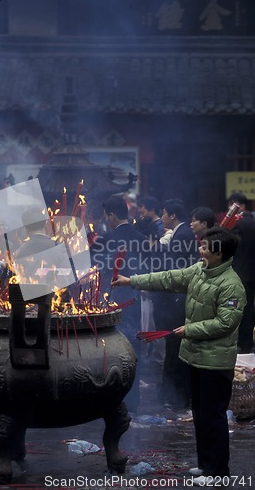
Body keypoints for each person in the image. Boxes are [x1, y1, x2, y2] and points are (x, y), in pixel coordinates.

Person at [112, 226, 246, 485]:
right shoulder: (199, 271)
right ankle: (205, 465)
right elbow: (169, 278)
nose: (200, 249)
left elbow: (225, 323)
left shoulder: (232, 285)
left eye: (205, 247)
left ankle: (218, 473)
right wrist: (132, 281)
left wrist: (190, 330)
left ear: (218, 253)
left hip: (215, 362)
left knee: (213, 417)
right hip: (196, 356)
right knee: (200, 413)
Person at [90, 196, 148, 414]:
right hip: (133, 298)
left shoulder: (106, 239)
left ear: (111, 215)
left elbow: (99, 269)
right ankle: (133, 400)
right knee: (133, 347)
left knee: (110, 347)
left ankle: (112, 399)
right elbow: (147, 268)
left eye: (106, 215)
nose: (107, 219)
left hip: (111, 297)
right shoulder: (141, 238)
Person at [157, 198, 199, 408]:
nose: (162, 217)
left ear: (172, 216)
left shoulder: (182, 235)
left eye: (164, 213)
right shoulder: (181, 233)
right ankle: (175, 393)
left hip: (177, 297)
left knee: (175, 345)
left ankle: (177, 395)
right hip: (178, 296)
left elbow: (176, 269)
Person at [227, 193, 255, 353]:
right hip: (252, 273)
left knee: (239, 307)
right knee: (249, 307)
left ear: (241, 206)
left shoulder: (237, 224)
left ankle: (242, 344)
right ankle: (248, 343)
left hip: (241, 274)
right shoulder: (253, 221)